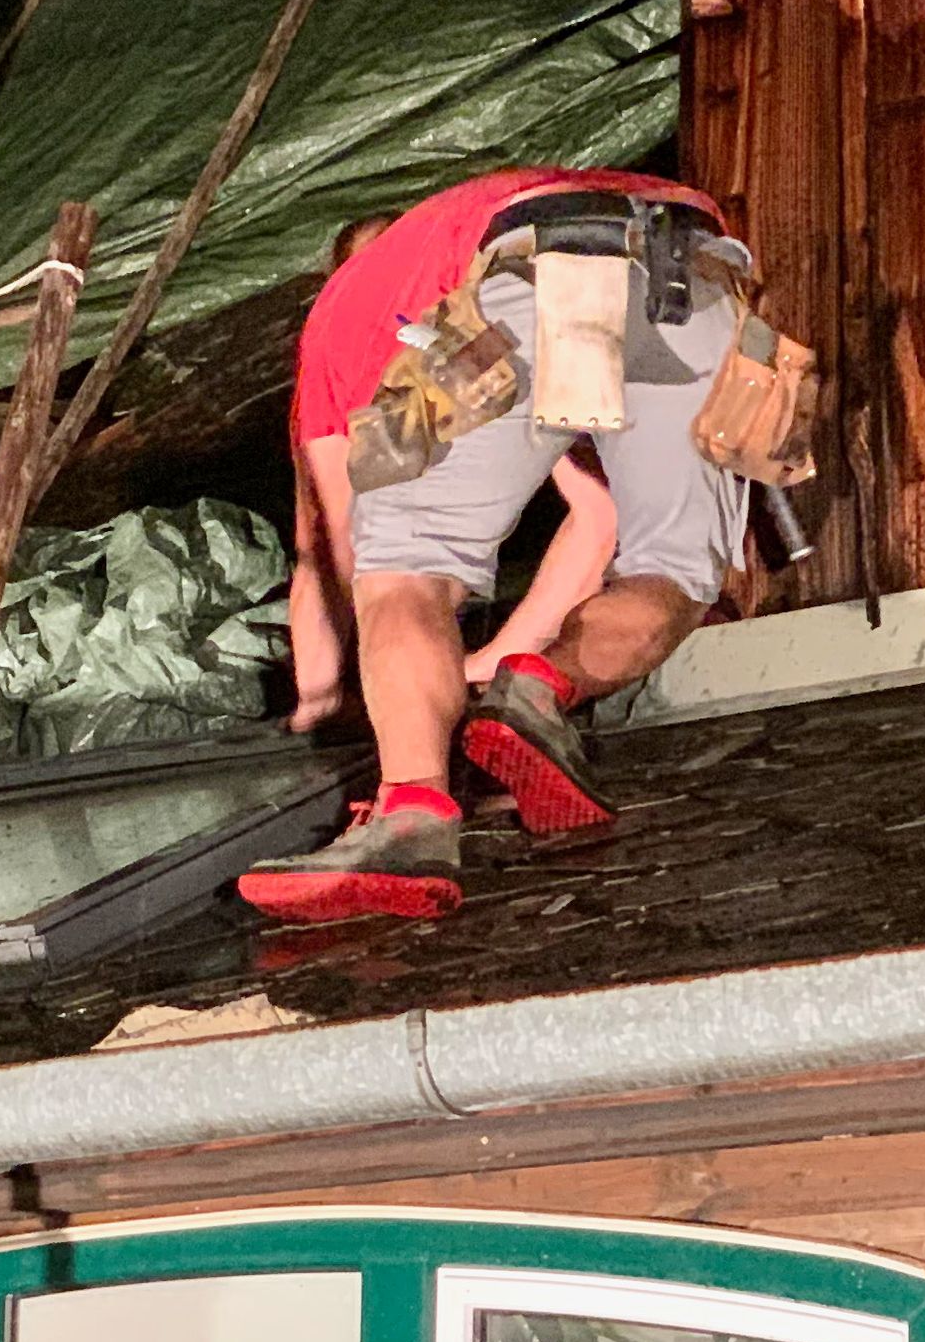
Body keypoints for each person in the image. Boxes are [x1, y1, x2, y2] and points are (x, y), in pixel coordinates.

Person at [242, 166, 757, 922]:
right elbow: (597, 518)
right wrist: (505, 664)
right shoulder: (443, 223)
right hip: (698, 267)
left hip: (533, 266)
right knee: (676, 571)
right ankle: (544, 691)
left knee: (409, 567)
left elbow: (330, 543)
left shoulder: (341, 319)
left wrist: (328, 695)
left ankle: (411, 815)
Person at [282, 216, 619, 735]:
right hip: (399, 558)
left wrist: (488, 664)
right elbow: (326, 546)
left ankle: (493, 677)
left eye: (400, 269)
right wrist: (324, 700)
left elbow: (600, 513)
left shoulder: (487, 333)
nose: (392, 291)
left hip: (480, 378)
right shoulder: (341, 354)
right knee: (352, 553)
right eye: (374, 276)